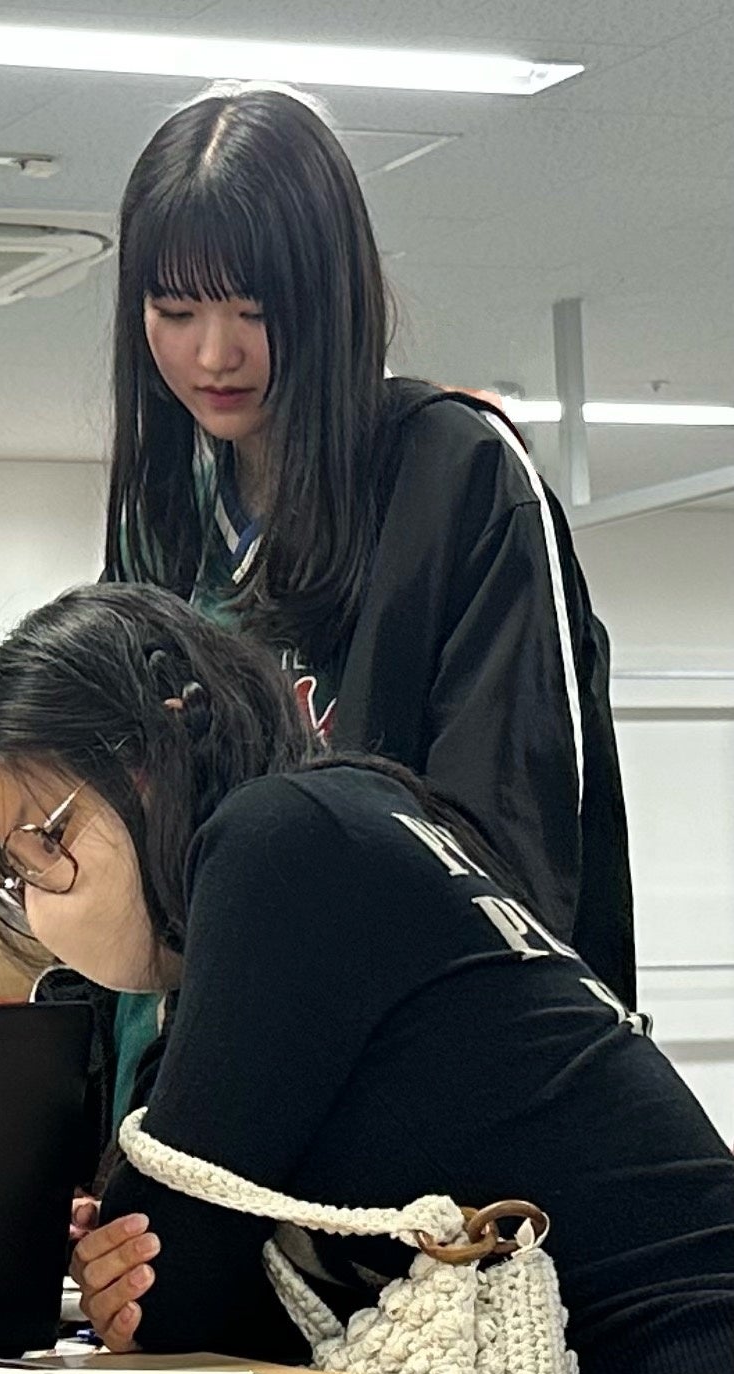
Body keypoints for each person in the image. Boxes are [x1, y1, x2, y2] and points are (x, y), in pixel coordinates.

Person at [0, 582, 734, 1374]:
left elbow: (173, 1290)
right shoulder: (346, 818)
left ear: (153, 751)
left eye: (46, 840)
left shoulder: (278, 840)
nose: (36, 899)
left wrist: (135, 1261)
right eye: (16, 871)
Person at [102, 85, 634, 1012]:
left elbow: (515, 842)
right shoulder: (162, 512)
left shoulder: (454, 475)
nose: (213, 354)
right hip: (193, 1052)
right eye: (174, 310)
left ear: (331, 292)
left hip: (402, 1054)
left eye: (253, 308)